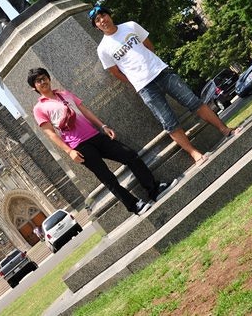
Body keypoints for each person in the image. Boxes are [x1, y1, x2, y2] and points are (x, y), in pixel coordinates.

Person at [90, 5, 239, 165]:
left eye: (103, 15)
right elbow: (116, 72)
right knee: (169, 122)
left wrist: (151, 65)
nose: (102, 20)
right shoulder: (103, 49)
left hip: (162, 73)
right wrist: (136, 79)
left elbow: (149, 46)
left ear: (109, 15)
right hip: (145, 88)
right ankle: (195, 154)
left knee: (195, 102)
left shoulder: (130, 26)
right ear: (96, 26)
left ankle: (225, 129)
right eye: (97, 20)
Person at [28, 68, 175, 215]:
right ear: (34, 87)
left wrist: (103, 126)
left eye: (44, 77)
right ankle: (134, 205)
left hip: (95, 135)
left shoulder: (64, 94)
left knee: (130, 155)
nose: (42, 81)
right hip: (79, 146)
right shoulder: (39, 108)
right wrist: (69, 151)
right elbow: (50, 133)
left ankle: (154, 189)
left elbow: (85, 111)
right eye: (38, 81)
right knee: (107, 177)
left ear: (49, 78)